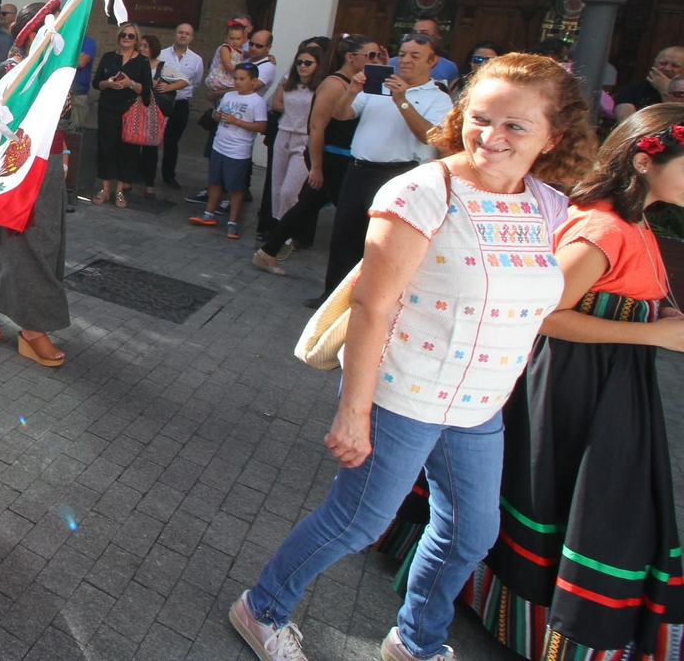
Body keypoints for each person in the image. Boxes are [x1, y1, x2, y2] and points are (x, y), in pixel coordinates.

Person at [229, 52, 596, 661]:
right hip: (406, 394)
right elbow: (373, 307)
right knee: (358, 523)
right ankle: (261, 608)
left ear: (553, 136)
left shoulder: (548, 205)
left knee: (470, 534)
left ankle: (416, 642)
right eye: (481, 118)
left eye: (515, 126)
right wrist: (355, 411)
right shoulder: (423, 191)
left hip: (479, 407)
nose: (492, 137)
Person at [382, 102, 684, 661]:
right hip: (570, 384)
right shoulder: (603, 226)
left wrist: (654, 320)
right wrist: (654, 337)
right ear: (644, 162)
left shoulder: (634, 223)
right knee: (551, 495)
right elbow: (546, 314)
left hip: (606, 383)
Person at [0, 1, 72, 367]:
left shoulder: (55, 71)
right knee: (30, 245)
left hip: (49, 166)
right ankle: (33, 327)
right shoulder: (14, 71)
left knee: (36, 243)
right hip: (19, 169)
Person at [318, 33, 454, 300]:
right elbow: (341, 114)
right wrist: (351, 91)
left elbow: (431, 137)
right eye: (402, 54)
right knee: (344, 236)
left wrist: (401, 100)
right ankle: (330, 298)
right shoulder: (377, 85)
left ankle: (366, 301)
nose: (405, 60)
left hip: (397, 175)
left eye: (415, 56)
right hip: (358, 170)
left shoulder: (438, 97)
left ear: (433, 61)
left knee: (379, 244)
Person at [189, 62, 267, 238]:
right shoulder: (229, 96)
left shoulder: (257, 102)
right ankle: (209, 213)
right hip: (220, 145)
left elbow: (262, 126)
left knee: (235, 187)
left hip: (238, 150)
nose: (237, 82)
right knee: (215, 181)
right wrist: (217, 116)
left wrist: (236, 121)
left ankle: (233, 222)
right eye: (235, 78)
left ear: (253, 81)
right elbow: (219, 116)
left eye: (242, 79)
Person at [89, 21, 151, 207]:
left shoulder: (142, 61)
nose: (126, 38)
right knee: (106, 147)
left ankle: (120, 190)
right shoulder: (109, 57)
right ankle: (105, 188)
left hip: (130, 109)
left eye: (131, 36)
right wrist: (108, 83)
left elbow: (146, 90)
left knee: (128, 150)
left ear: (136, 40)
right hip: (108, 108)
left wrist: (130, 83)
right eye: (124, 34)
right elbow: (96, 83)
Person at [266, 44, 324, 235]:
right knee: (276, 189)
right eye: (299, 62)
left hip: (304, 139)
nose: (303, 66)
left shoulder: (320, 89)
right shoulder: (288, 84)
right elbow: (276, 102)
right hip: (283, 135)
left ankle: (287, 231)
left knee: (289, 191)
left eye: (308, 62)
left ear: (317, 64)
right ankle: (278, 229)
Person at [159, 23, 203, 190]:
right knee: (152, 139)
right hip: (161, 102)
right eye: (180, 32)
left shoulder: (196, 60)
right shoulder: (162, 54)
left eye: (187, 33)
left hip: (180, 105)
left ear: (191, 37)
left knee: (172, 141)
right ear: (175, 34)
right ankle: (144, 172)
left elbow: (196, 83)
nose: (183, 35)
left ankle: (169, 175)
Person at [136, 33, 170, 200]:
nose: (142, 49)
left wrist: (166, 87)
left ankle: (149, 183)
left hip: (152, 111)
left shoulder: (161, 66)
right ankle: (129, 179)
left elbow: (184, 81)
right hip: (135, 110)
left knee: (150, 147)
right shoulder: (135, 63)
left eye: (146, 46)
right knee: (132, 144)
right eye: (141, 45)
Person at [613, 46, 684, 121]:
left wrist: (666, 91)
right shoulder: (631, 91)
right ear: (654, 64)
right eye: (662, 63)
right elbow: (627, 123)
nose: (667, 68)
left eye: (675, 66)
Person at [410, 16, 459, 85]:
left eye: (424, 33)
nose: (417, 37)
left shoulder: (449, 67)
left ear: (437, 37)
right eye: (414, 33)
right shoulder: (393, 62)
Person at [70, 29, 98, 133]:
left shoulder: (88, 42)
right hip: (59, 93)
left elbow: (82, 62)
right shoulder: (62, 40)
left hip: (78, 94)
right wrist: (74, 60)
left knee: (74, 132)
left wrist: (64, 61)